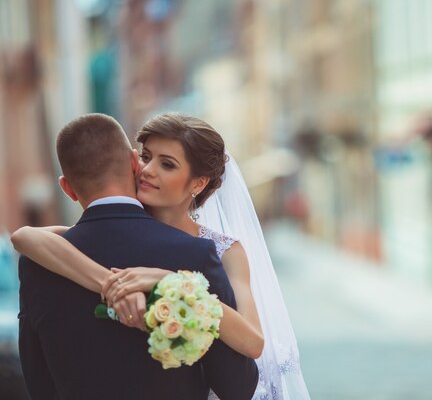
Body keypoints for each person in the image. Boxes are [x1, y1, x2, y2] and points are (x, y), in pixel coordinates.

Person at [13, 112, 311, 400]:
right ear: (133, 160)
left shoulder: (216, 251)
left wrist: (174, 285)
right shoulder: (192, 253)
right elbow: (25, 236)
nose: (148, 170)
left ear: (198, 183)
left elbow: (253, 344)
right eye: (145, 157)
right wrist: (111, 282)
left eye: (167, 164)